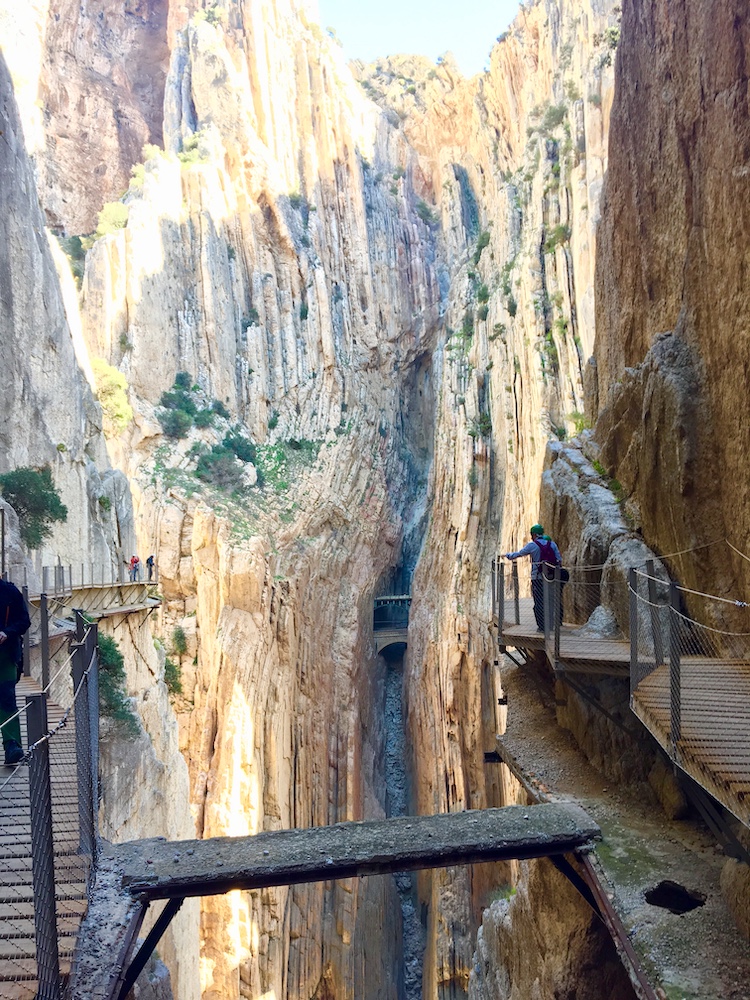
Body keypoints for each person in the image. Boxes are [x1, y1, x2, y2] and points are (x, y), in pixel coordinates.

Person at [505, 524, 563, 632]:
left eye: (532, 534)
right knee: (550, 601)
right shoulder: (552, 544)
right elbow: (559, 560)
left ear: (535, 534)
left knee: (539, 602)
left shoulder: (532, 545)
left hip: (538, 578)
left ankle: (542, 627)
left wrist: (508, 555)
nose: (531, 536)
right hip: (551, 578)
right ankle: (551, 625)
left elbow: (519, 554)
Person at [0, 578, 31, 766]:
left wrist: (7, 632)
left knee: (7, 698)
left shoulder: (9, 592)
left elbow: (24, 620)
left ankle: (12, 745)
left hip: (6, 657)